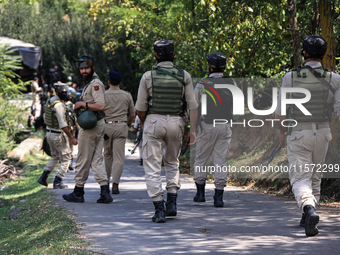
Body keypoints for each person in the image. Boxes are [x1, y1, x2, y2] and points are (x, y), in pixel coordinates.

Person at [276, 35, 340, 236]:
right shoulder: (335, 79)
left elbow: (281, 112)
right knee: (315, 176)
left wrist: (281, 131)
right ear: (324, 54)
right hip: (323, 133)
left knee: (300, 177)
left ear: (304, 53)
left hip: (299, 133)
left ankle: (308, 209)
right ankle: (308, 215)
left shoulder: (291, 77)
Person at [135, 39, 198, 223]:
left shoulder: (148, 76)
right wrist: (192, 130)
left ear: (156, 56)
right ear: (173, 55)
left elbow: (140, 108)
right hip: (177, 122)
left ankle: (159, 208)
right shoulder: (184, 75)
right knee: (172, 162)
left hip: (154, 121)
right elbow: (192, 106)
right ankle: (172, 202)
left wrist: (145, 123)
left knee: (153, 166)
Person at [63, 56, 113, 204]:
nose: (84, 71)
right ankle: (105, 192)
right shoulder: (90, 83)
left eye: (86, 68)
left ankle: (78, 191)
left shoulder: (95, 84)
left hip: (92, 126)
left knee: (83, 159)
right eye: (82, 69)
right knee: (97, 160)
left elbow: (101, 106)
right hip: (96, 125)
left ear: (92, 68)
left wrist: (81, 104)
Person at [193, 52, 235, 207]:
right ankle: (219, 197)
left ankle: (200, 193)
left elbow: (194, 107)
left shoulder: (202, 84)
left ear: (210, 66)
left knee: (201, 159)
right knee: (221, 161)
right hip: (225, 126)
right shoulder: (232, 82)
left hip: (207, 126)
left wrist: (193, 127)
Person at [37, 83, 78, 189]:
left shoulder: (50, 101)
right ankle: (58, 181)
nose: (65, 94)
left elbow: (46, 119)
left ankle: (43, 177)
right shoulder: (59, 105)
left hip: (49, 133)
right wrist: (71, 137)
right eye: (63, 92)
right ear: (58, 92)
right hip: (58, 135)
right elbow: (63, 124)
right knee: (66, 158)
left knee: (55, 157)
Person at [103, 70, 135, 194]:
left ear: (108, 82)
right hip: (121, 126)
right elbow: (132, 114)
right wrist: (127, 123)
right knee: (118, 157)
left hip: (107, 126)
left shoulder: (104, 95)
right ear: (120, 83)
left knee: (107, 155)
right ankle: (115, 184)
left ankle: (105, 183)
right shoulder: (127, 95)